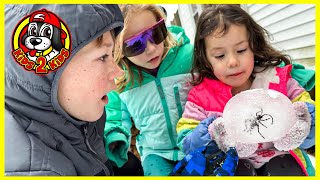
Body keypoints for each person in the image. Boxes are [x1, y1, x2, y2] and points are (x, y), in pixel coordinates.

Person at [176, 5, 315, 176]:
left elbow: (310, 118)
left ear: (253, 47)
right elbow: (187, 140)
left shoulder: (278, 81)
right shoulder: (201, 97)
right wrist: (210, 135)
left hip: (284, 162)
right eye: (220, 55)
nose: (233, 61)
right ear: (206, 59)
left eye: (241, 50)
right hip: (231, 165)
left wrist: (306, 122)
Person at [5, 4, 128, 175]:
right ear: (47, 72)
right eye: (103, 56)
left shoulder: (77, 119)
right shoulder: (34, 171)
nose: (118, 72)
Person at [103, 4, 194, 176]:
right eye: (135, 45)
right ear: (120, 50)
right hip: (156, 153)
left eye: (156, 33)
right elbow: (114, 114)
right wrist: (115, 137)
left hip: (195, 143)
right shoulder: (122, 81)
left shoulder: (189, 57)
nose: (151, 49)